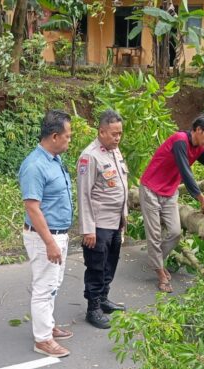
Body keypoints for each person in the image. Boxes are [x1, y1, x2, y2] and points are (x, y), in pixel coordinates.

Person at [139, 114, 204, 292]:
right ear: (198, 130)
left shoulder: (200, 148)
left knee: (175, 233)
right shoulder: (180, 140)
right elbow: (185, 172)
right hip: (151, 190)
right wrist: (201, 198)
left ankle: (156, 262)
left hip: (169, 192)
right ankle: (160, 273)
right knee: (154, 235)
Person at [19, 110, 74, 358]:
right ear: (54, 136)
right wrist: (50, 242)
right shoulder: (35, 165)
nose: (69, 140)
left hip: (58, 233)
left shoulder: (54, 159)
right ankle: (42, 340)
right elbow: (32, 207)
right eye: (67, 136)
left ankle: (48, 325)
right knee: (44, 286)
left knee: (54, 284)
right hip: (45, 237)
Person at [76, 110, 128, 330]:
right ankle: (93, 308)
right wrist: (88, 229)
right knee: (96, 267)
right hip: (98, 225)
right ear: (101, 132)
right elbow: (84, 195)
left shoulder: (115, 152)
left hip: (115, 221)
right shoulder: (90, 156)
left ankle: (104, 298)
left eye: (120, 133)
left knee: (110, 263)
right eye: (114, 134)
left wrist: (124, 219)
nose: (117, 138)